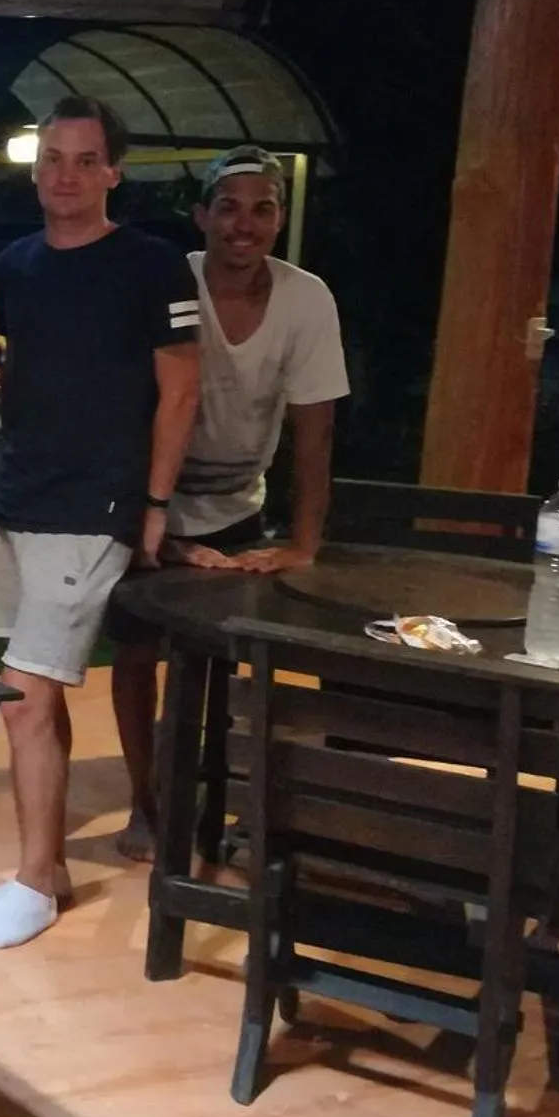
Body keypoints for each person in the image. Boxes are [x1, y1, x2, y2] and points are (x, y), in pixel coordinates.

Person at [0, 95, 201, 951]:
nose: (64, 174)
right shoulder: (16, 263)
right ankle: (50, 863)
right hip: (17, 497)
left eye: (84, 160)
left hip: (94, 505)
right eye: (51, 158)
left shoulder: (153, 264)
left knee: (21, 700)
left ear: (112, 173)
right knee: (39, 693)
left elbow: (182, 390)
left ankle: (31, 886)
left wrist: (154, 503)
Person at [108, 146, 348, 860]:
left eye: (262, 209)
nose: (245, 224)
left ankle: (222, 798)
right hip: (154, 497)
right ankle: (146, 801)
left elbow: (315, 429)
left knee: (231, 661)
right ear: (201, 215)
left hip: (239, 503)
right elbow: (127, 406)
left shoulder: (307, 298)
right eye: (230, 207)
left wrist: (302, 543)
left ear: (280, 218)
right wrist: (152, 519)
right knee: (137, 652)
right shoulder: (168, 281)